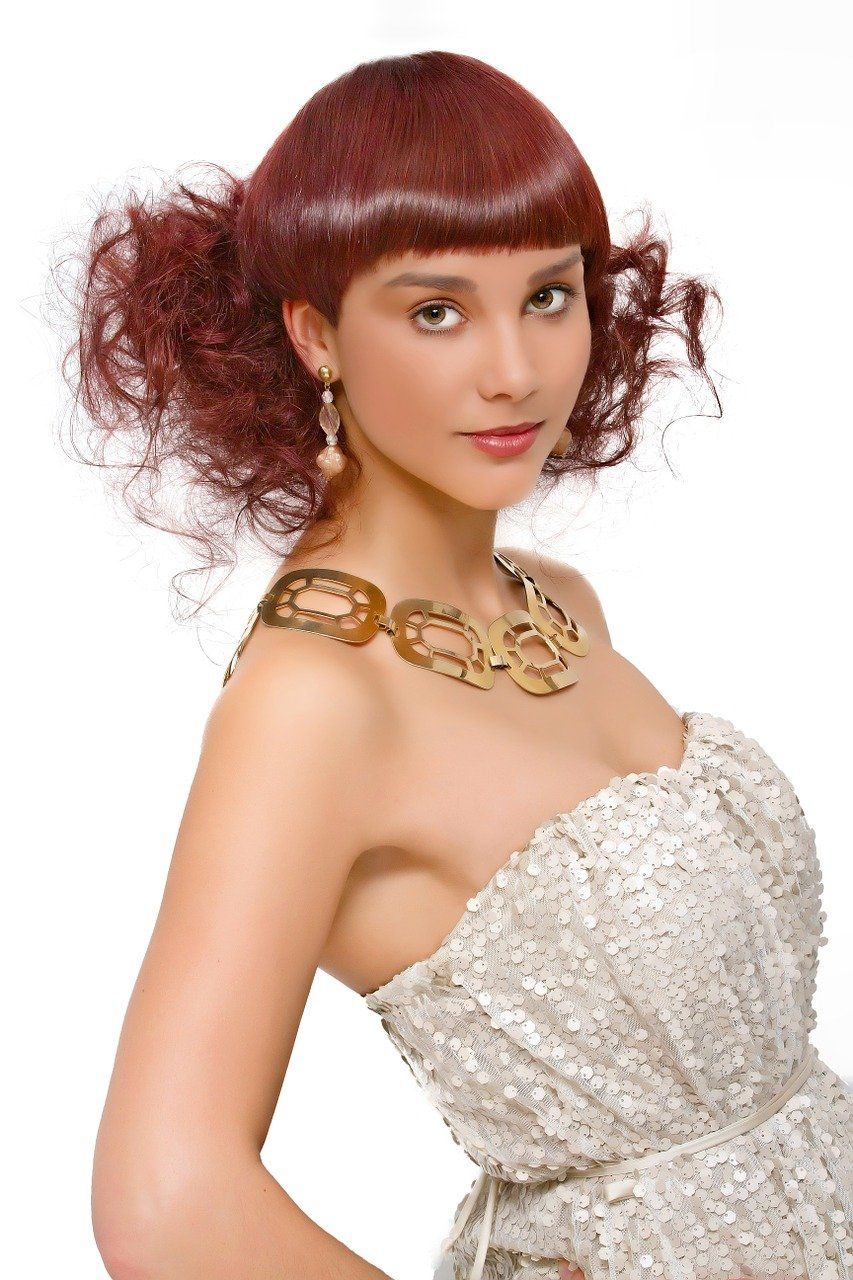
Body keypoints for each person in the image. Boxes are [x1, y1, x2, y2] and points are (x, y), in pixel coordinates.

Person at [54, 48, 850, 1280]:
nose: (514, 370)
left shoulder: (557, 604)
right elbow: (165, 1200)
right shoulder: (314, 701)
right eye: (436, 310)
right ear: (317, 335)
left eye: (548, 294)